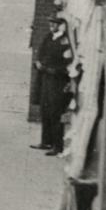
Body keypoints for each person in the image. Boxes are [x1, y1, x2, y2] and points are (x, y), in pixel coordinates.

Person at [33, 14, 74, 153]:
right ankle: (46, 141)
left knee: (56, 112)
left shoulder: (65, 42)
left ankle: (58, 145)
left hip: (58, 82)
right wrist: (38, 63)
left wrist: (50, 69)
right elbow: (41, 52)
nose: (52, 25)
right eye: (51, 22)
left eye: (55, 23)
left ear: (62, 25)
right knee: (45, 110)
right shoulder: (49, 37)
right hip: (46, 80)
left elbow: (68, 66)